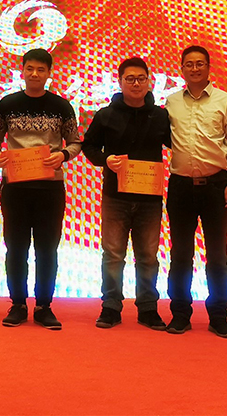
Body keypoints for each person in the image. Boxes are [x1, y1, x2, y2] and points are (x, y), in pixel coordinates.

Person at [0, 48, 81, 329]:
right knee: (15, 248)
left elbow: (76, 143)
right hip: (15, 186)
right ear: (23, 71)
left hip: (49, 187)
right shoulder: (8, 104)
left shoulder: (61, 106)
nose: (35, 74)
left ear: (49, 73)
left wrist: (62, 155)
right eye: (30, 68)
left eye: (41, 69)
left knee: (47, 249)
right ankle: (17, 304)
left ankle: (43, 306)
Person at [82, 57, 171, 330]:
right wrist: (105, 160)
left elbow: (177, 144)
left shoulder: (161, 116)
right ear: (120, 82)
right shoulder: (105, 115)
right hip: (115, 196)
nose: (136, 83)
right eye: (130, 79)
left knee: (148, 256)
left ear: (149, 82)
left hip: (149, 198)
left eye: (141, 79)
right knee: (113, 254)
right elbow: (89, 147)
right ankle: (111, 307)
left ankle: (148, 308)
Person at [165, 45, 227, 338]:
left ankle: (219, 315)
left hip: (215, 185)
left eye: (200, 63)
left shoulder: (225, 100)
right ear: (182, 69)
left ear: (209, 67)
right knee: (180, 254)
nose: (194, 68)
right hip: (181, 187)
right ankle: (180, 314)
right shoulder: (171, 101)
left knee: (218, 255)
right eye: (189, 64)